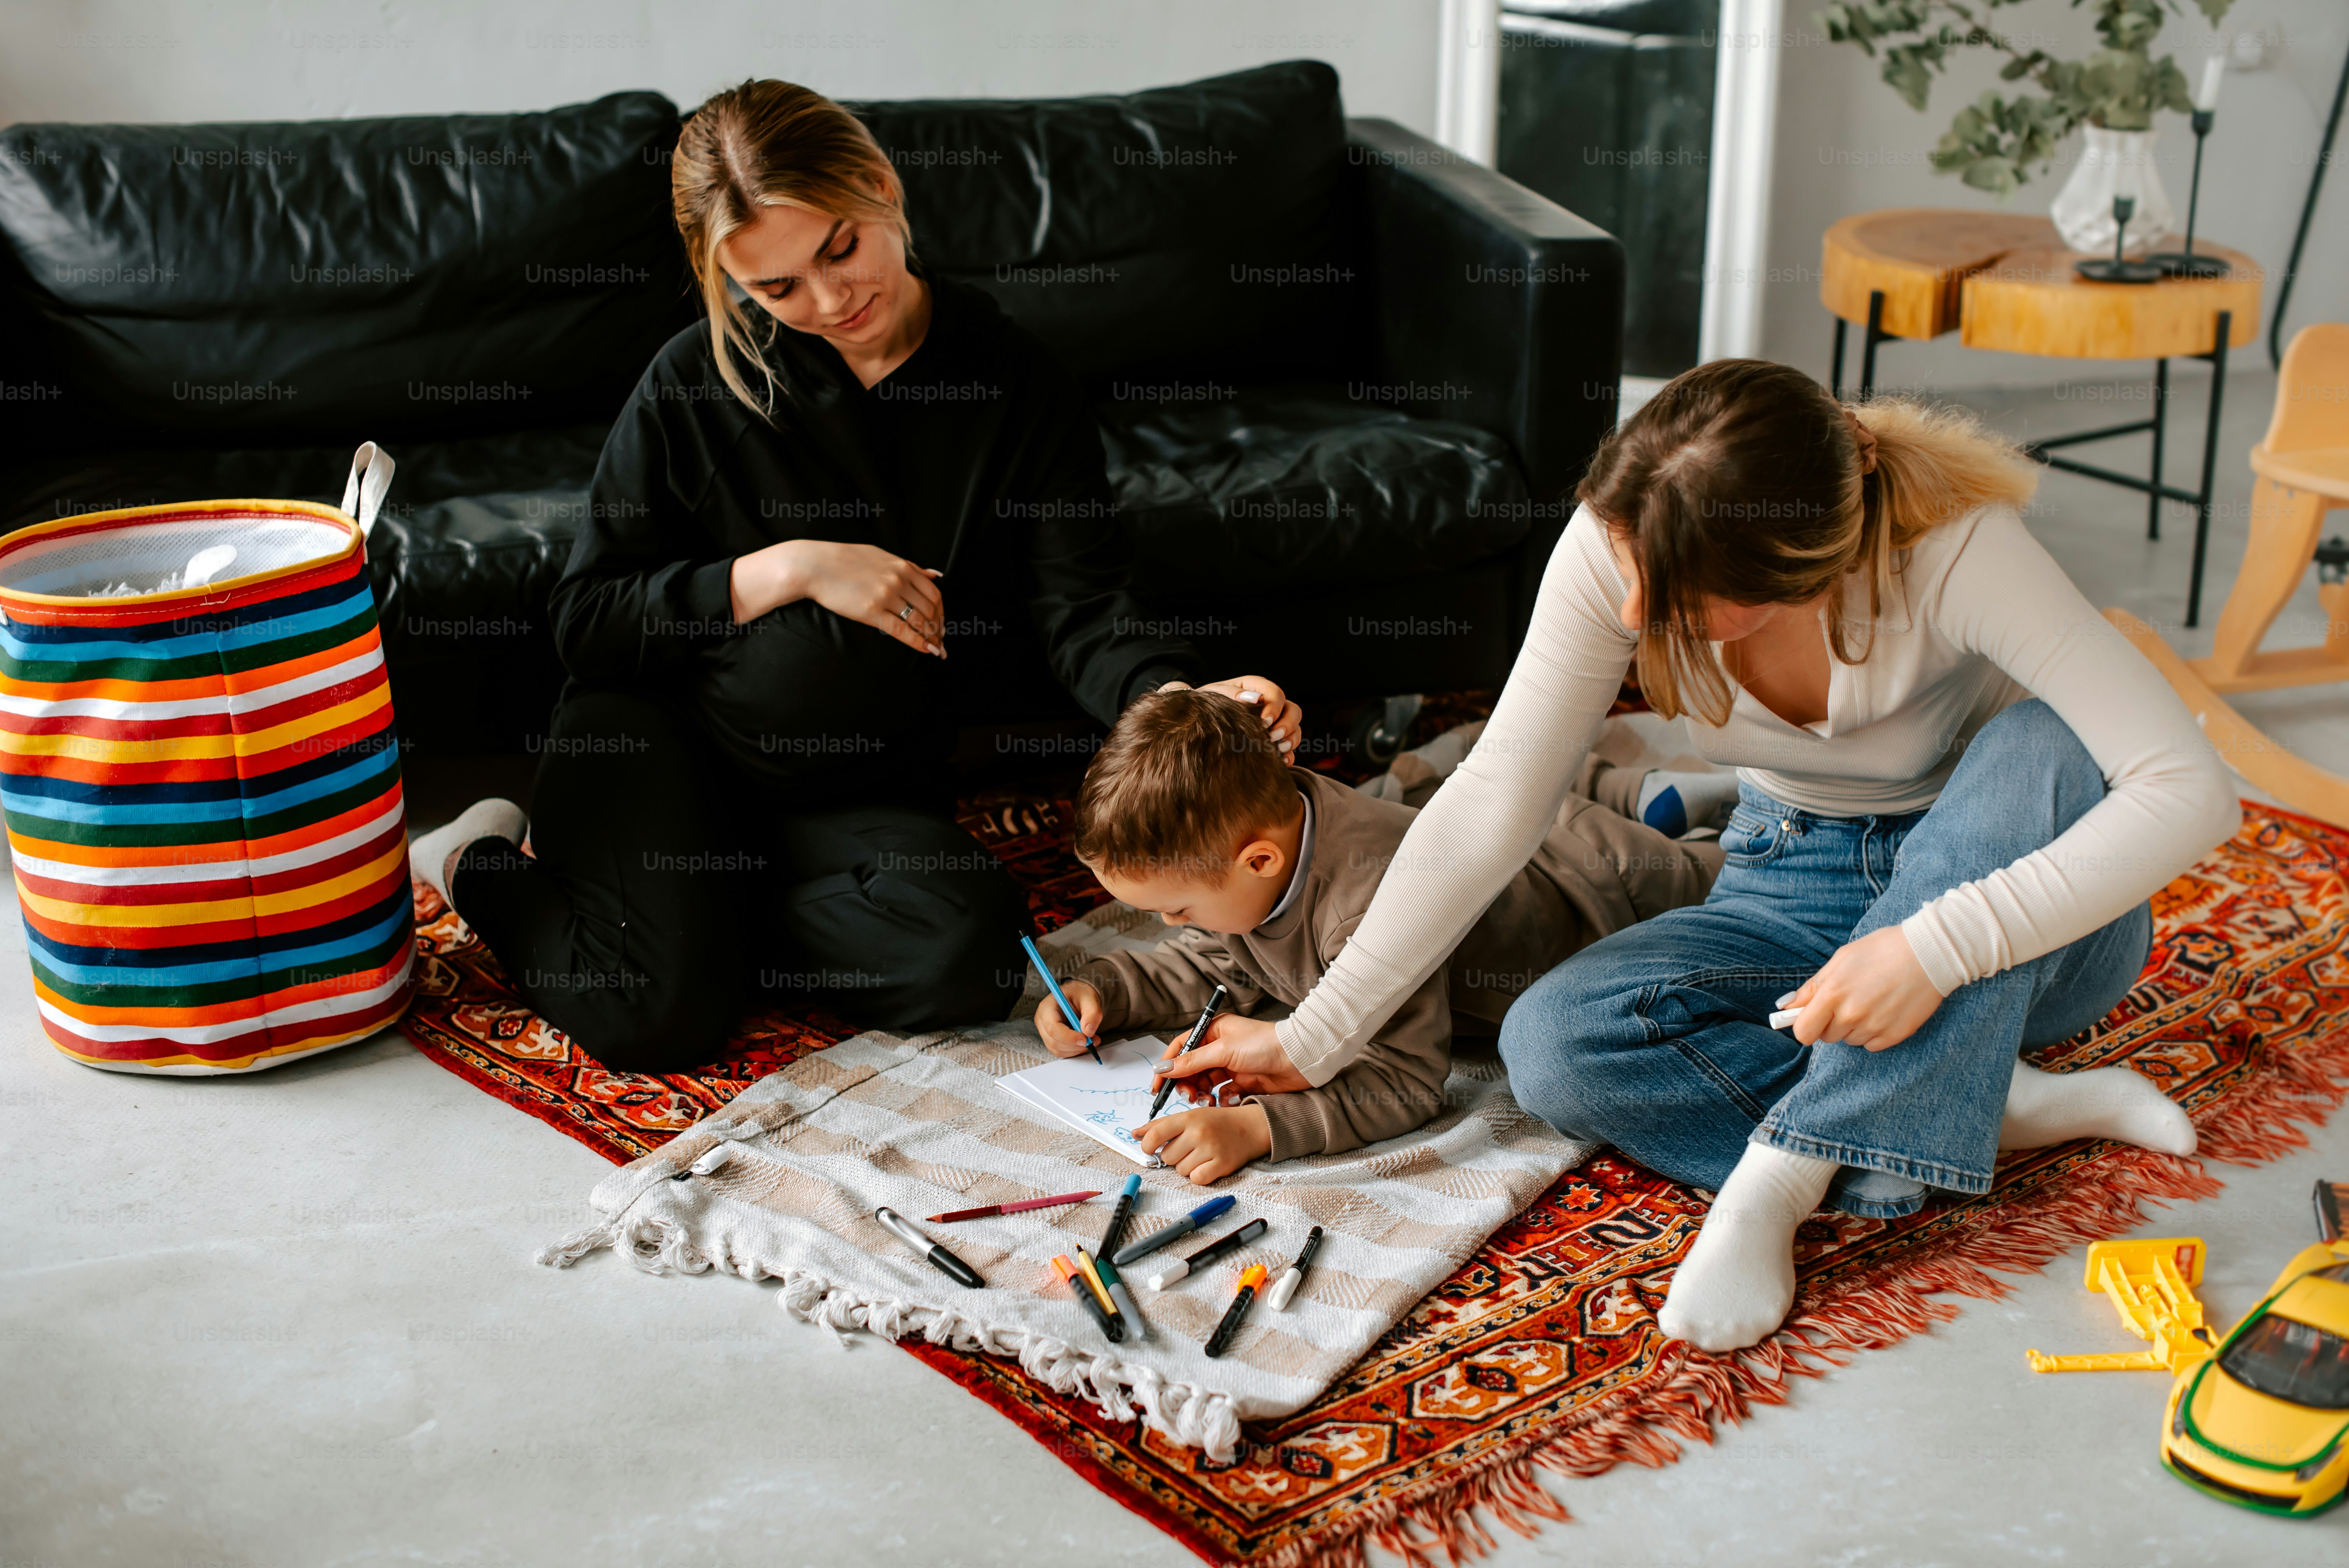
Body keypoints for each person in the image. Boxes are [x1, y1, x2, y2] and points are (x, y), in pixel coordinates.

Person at [1148, 360, 2238, 1352]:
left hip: (2020, 923)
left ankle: (1781, 1177)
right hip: (1789, 875)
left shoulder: (1955, 549)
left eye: (1671, 597)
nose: (1630, 611)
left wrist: (1937, 948)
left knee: (2045, 738)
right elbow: (1493, 801)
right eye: (1625, 568)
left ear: (1803, 574)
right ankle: (1980, 1105)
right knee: (1554, 1046)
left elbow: (2191, 791)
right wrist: (1319, 1036)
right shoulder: (1625, 540)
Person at [408, 80, 1298, 1073]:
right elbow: (586, 619)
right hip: (656, 752)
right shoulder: (693, 384)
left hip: (847, 796)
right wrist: (788, 568)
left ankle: (692, 926)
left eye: (839, 248)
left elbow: (1080, 609)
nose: (831, 301)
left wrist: (1184, 701)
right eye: (778, 289)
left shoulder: (1013, 383)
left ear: (878, 186)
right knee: (650, 1023)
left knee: (965, 958)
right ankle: (477, 861)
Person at [1034, 689, 1719, 1183]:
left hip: (1602, 887)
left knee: (1732, 882)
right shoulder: (1267, 849)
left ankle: (1672, 805)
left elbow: (1406, 1080)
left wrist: (1257, 1128)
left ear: (1260, 862)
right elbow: (1222, 958)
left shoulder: (1362, 913)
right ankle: (1641, 795)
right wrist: (1105, 989)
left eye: (1178, 909)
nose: (1170, 925)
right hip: (1501, 846)